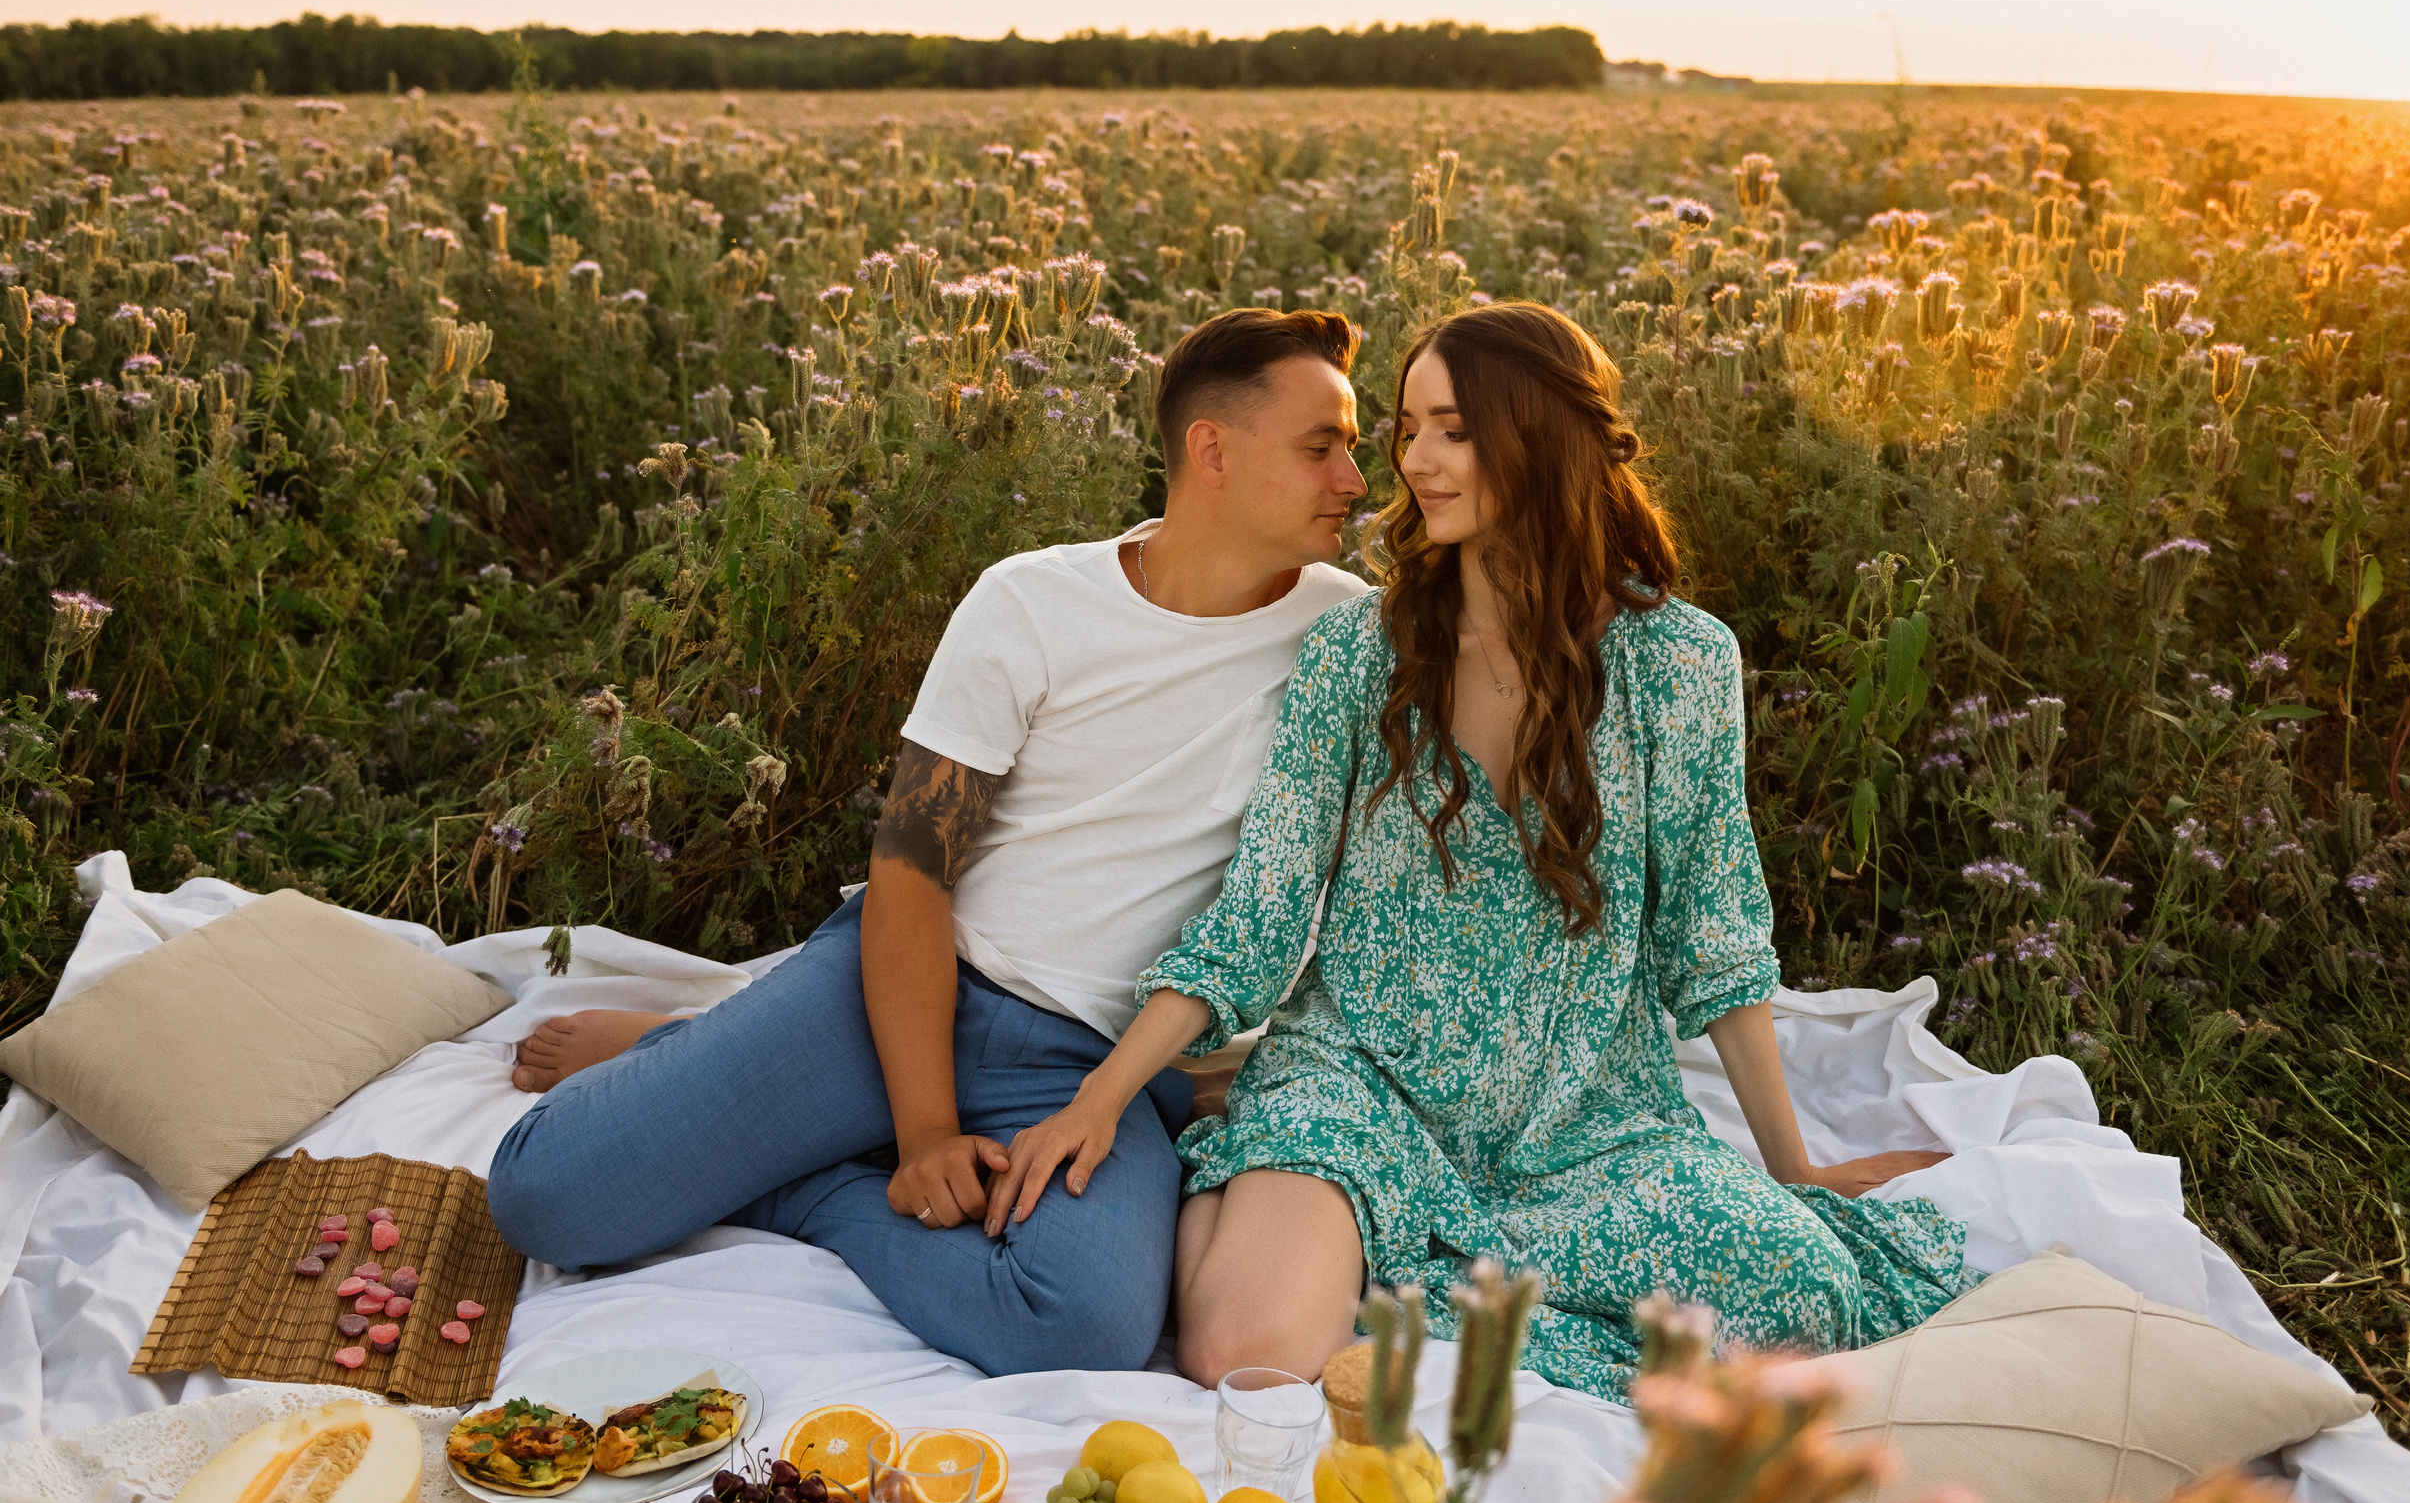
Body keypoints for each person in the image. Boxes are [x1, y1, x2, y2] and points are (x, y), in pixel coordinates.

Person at [977, 302, 1975, 1401]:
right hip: (1359, 1087)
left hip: (1588, 1124)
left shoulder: (1677, 661)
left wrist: (1795, 1176)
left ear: (1538, 434)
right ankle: (1267, 1191)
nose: (1412, 461)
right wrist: (1100, 1101)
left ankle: (1371, 1284)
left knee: (1809, 1302)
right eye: (1407, 429)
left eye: (1449, 430)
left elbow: (1714, 937)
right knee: (1242, 1358)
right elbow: (1257, 918)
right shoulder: (1357, 650)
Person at [484, 308, 1374, 1376]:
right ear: (1212, 450)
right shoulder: (1035, 602)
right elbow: (910, 869)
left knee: (1081, 1323)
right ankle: (735, 1076)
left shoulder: (1350, 638)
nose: (1356, 480)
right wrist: (920, 1139)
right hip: (911, 989)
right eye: (1323, 447)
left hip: (1093, 1066)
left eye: (1356, 449)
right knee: (548, 1197)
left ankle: (803, 1175)